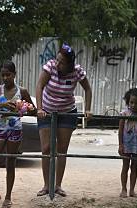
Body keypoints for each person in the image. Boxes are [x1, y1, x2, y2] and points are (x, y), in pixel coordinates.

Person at [35, 43, 92, 197]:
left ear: (70, 64)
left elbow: (87, 88)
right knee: (46, 148)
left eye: (62, 62)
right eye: (57, 60)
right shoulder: (50, 67)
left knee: (62, 150)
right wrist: (39, 109)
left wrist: (87, 109)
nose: (58, 64)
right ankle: (47, 185)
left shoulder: (77, 71)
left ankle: (58, 185)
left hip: (67, 111)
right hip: (46, 111)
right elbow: (40, 85)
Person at [0, 61, 34, 208]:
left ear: (14, 75)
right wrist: (3, 105)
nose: (5, 78)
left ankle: (8, 197)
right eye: (3, 75)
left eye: (8, 75)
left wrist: (23, 108)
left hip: (15, 129)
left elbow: (33, 109)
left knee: (10, 163)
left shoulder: (22, 91)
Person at [118, 88, 137, 198]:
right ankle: (123, 189)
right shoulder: (124, 114)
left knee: (134, 167)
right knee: (125, 166)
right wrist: (120, 144)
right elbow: (120, 130)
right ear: (127, 102)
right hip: (126, 145)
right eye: (131, 102)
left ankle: (132, 190)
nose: (133, 105)